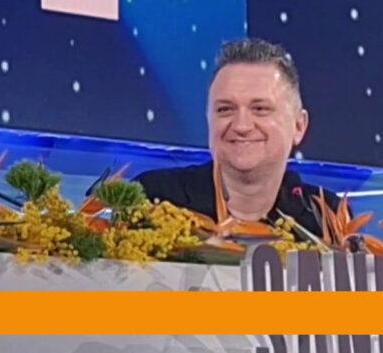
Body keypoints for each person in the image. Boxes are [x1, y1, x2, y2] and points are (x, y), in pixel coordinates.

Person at [135, 38, 340, 238]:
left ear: (298, 126)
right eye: (225, 109)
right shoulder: (152, 197)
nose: (242, 126)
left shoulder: (326, 216)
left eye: (260, 109)